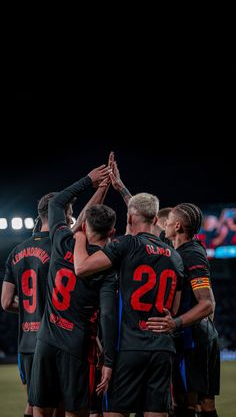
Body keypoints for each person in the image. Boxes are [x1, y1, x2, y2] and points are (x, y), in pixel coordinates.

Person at [74, 192, 184, 417]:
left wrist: (79, 238)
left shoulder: (126, 244)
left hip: (130, 347)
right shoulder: (175, 256)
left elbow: (82, 268)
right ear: (155, 220)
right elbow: (173, 310)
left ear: (130, 219)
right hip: (162, 347)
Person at [29, 164, 117, 417]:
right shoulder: (107, 265)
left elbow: (57, 202)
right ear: (111, 232)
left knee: (41, 409)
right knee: (75, 411)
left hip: (46, 340)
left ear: (83, 225)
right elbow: (109, 317)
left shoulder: (62, 241)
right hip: (78, 346)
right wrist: (109, 360)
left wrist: (89, 180)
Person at [146, 203, 220, 417]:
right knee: (194, 403)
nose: (164, 224)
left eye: (168, 221)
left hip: (195, 339)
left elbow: (207, 303)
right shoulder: (175, 246)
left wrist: (175, 323)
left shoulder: (192, 256)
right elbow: (146, 217)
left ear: (177, 226)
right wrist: (122, 189)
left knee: (192, 404)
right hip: (192, 336)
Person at [1, 191, 57, 417]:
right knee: (55, 406)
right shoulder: (59, 246)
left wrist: (27, 307)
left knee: (33, 403)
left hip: (26, 341)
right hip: (53, 338)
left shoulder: (16, 251)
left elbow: (5, 302)